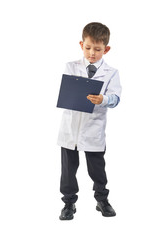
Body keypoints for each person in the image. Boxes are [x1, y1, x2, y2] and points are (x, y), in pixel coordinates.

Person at [57, 22, 122, 220]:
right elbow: (67, 93)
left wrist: (104, 99)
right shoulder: (71, 67)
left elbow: (116, 98)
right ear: (81, 44)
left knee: (97, 169)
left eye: (97, 49)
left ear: (106, 49)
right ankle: (69, 203)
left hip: (94, 129)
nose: (92, 53)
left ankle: (102, 200)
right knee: (68, 171)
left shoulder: (111, 73)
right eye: (87, 48)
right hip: (70, 130)